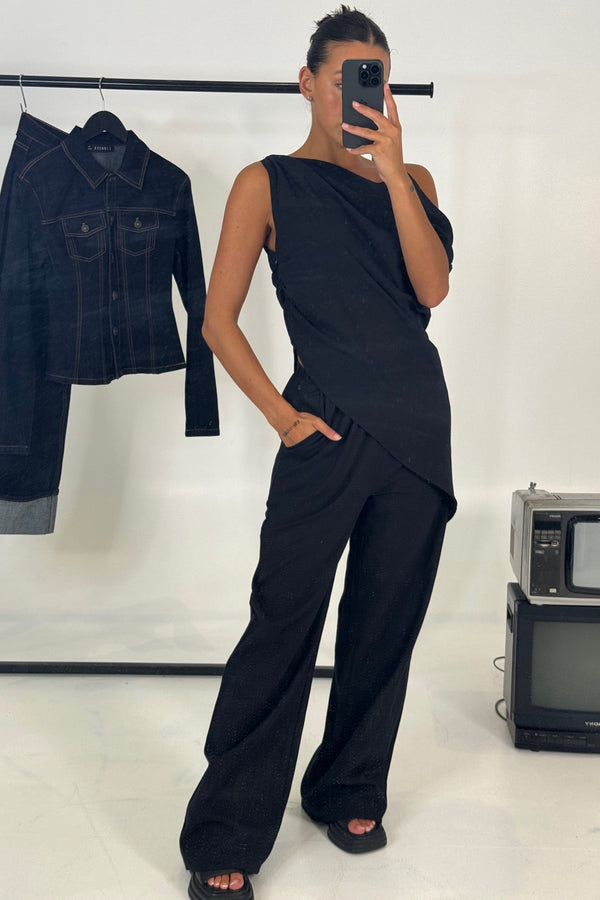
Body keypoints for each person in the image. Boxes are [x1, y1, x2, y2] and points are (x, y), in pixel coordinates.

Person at [180, 6, 455, 898]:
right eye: (346, 77)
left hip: (416, 429)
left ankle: (348, 787)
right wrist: (281, 417)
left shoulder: (413, 179)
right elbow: (218, 322)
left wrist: (394, 173)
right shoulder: (266, 183)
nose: (361, 94)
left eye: (377, 78)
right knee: (282, 623)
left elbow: (431, 289)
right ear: (308, 82)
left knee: (385, 621)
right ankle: (227, 829)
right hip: (323, 428)